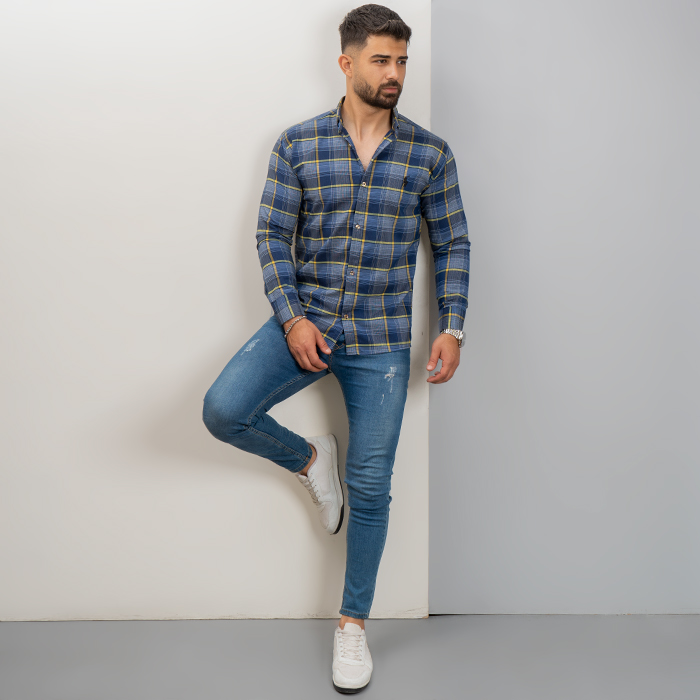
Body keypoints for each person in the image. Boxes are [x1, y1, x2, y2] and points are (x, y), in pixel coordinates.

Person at [202, 3, 470, 693]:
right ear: (347, 63)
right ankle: (309, 459)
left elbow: (453, 243)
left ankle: (352, 626)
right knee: (223, 410)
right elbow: (271, 237)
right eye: (382, 60)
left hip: (382, 341)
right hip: (307, 323)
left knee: (372, 485)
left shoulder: (430, 154)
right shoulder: (297, 144)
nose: (395, 73)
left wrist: (453, 325)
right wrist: (292, 319)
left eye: (402, 60)